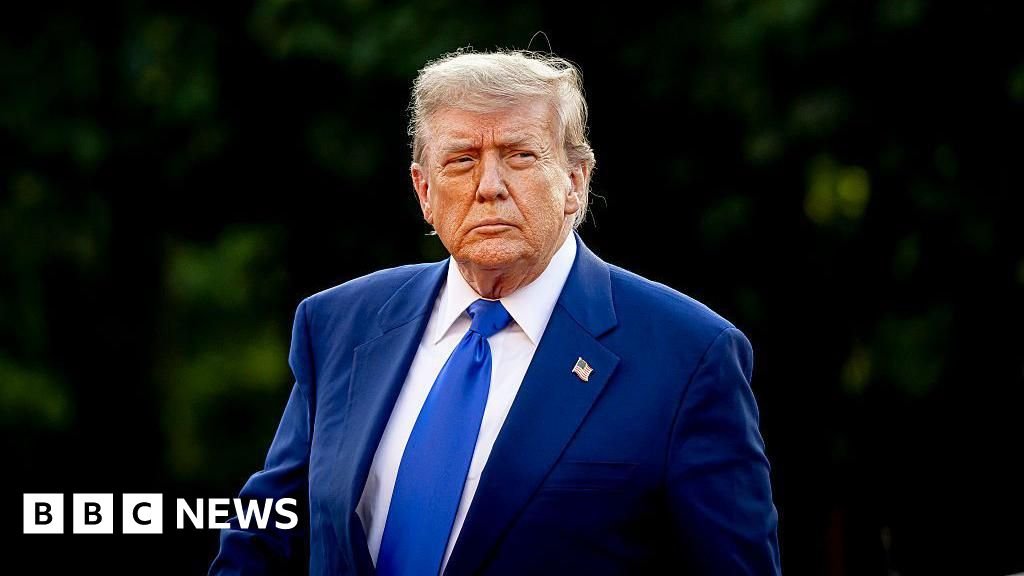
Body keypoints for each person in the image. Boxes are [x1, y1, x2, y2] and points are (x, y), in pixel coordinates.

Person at [210, 48, 781, 575]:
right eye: (461, 160)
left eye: (520, 156)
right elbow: (264, 538)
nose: (489, 187)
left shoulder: (688, 356)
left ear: (575, 182)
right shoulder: (340, 325)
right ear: (424, 191)